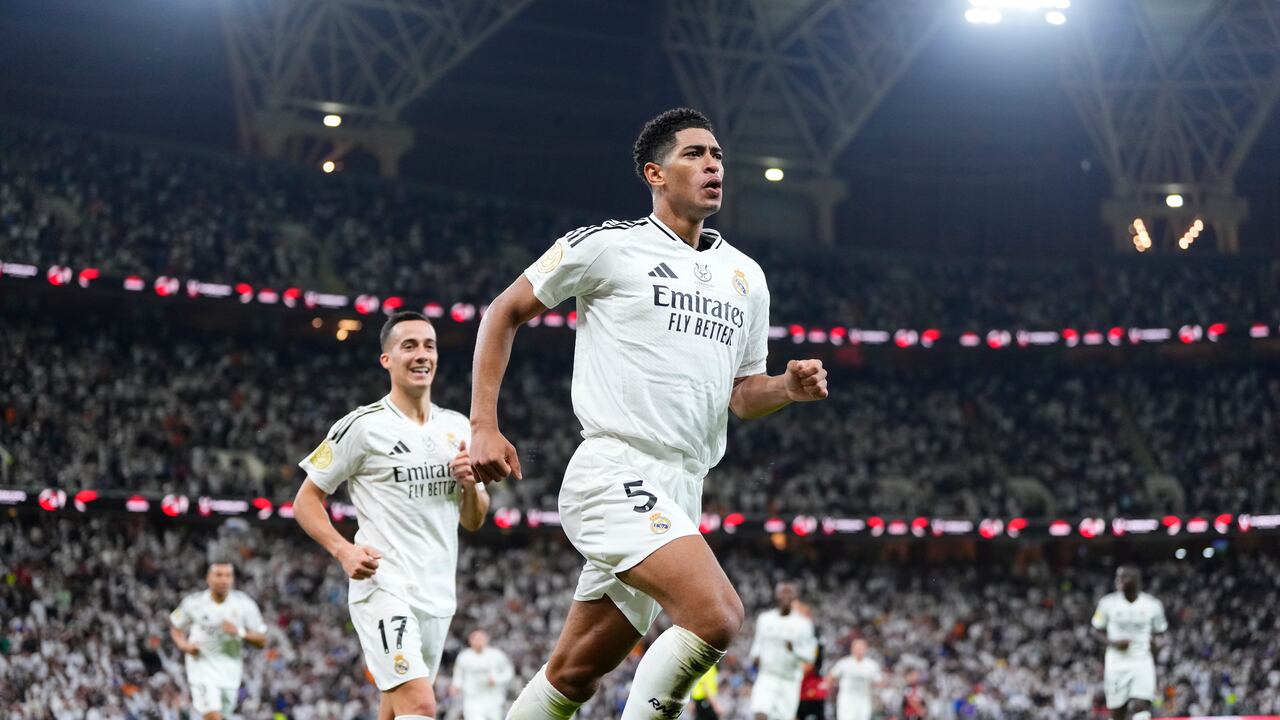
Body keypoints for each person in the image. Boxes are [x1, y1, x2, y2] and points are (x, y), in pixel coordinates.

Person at [469, 107, 829, 720]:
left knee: (575, 672)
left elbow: (742, 395)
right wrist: (483, 423)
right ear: (654, 173)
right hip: (614, 473)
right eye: (695, 154)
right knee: (717, 615)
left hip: (682, 487)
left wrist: (787, 390)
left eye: (717, 155)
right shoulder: (608, 246)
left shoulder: (745, 276)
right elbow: (503, 311)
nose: (713, 164)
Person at [294, 311, 489, 720]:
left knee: (396, 710)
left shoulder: (457, 428)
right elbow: (306, 501)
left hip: (437, 595)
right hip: (384, 587)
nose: (422, 355)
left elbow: (475, 519)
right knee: (419, 705)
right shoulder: (362, 427)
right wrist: (343, 551)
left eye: (429, 346)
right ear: (386, 360)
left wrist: (470, 483)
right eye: (409, 346)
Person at [168, 561, 267, 720]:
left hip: (230, 674)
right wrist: (183, 644)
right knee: (213, 716)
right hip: (202, 670)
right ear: (208, 578)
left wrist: (239, 632)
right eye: (219, 575)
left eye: (228, 575)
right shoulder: (193, 603)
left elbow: (262, 640)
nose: (223, 580)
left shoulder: (244, 604)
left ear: (233, 579)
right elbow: (175, 626)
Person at [1092, 566, 1168, 720]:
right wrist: (1113, 643)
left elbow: (1161, 633)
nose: (1118, 580)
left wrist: (1156, 647)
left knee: (1142, 705)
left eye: (1123, 577)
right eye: (1118, 577)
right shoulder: (1107, 603)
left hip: (1142, 660)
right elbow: (1095, 630)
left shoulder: (1152, 605)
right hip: (1117, 662)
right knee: (1118, 711)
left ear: (1136, 581)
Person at [748, 583, 818, 720]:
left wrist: (794, 650)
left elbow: (810, 657)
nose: (785, 595)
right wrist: (755, 657)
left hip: (789, 679)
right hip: (767, 675)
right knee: (760, 710)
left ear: (794, 597)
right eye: (782, 592)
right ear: (776, 595)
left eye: (789, 592)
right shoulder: (765, 619)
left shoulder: (803, 624)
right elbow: (758, 643)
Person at [452, 629, 516, 720]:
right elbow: (458, 673)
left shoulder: (497, 655)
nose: (478, 641)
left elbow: (508, 672)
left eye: (481, 638)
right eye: (476, 639)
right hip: (472, 699)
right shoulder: (464, 656)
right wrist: (456, 685)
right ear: (470, 641)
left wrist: (496, 680)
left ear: (487, 639)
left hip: (493, 698)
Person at [827, 639, 883, 720]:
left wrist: (871, 684)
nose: (859, 650)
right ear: (852, 649)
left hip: (864, 699)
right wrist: (836, 685)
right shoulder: (844, 663)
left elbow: (879, 682)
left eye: (861, 648)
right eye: (857, 648)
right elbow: (831, 676)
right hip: (847, 700)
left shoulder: (871, 665)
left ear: (866, 649)